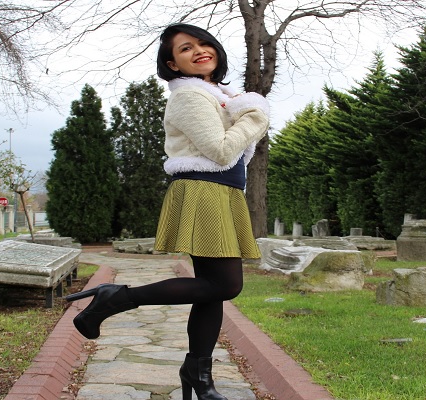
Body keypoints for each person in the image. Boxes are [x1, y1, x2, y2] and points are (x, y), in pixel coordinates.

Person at [66, 23, 269, 400]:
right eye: (186, 48)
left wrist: (243, 112)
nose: (200, 51)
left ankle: (198, 374)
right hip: (205, 191)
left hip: (220, 192)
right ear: (173, 64)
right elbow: (221, 151)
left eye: (204, 43)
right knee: (226, 285)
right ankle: (116, 298)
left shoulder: (217, 95)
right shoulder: (190, 95)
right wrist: (255, 117)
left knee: (211, 292)